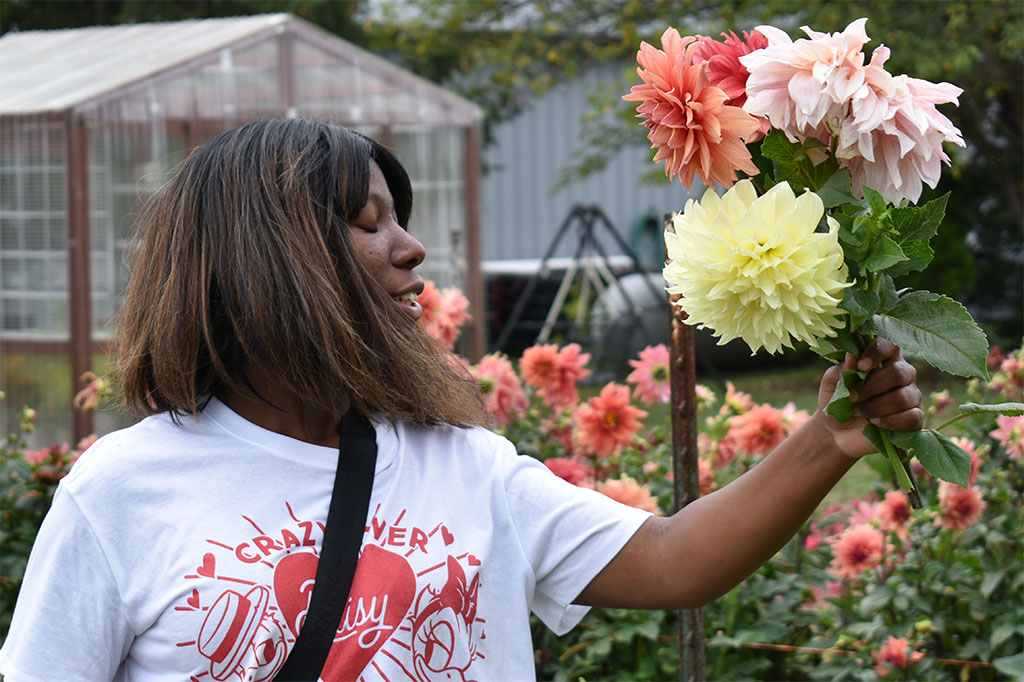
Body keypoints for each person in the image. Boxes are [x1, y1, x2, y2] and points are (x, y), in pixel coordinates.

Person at [0, 118, 923, 682]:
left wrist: (833, 434)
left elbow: (675, 561)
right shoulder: (123, 488)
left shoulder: (459, 462)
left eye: (401, 219)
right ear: (269, 263)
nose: (412, 250)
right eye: (367, 225)